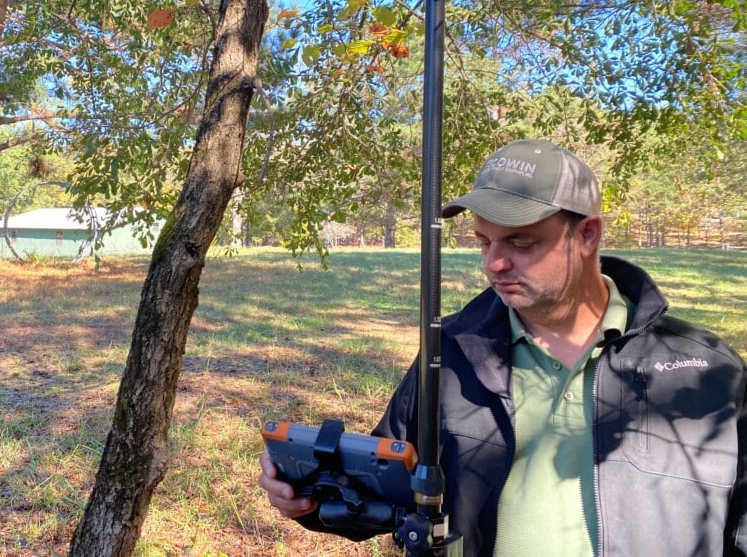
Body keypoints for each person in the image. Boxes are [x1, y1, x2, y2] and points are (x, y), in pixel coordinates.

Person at [260, 139, 747, 556]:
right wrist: (308, 496)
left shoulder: (705, 369)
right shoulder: (449, 353)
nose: (494, 264)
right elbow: (382, 491)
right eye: (483, 242)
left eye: (520, 242)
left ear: (587, 234)